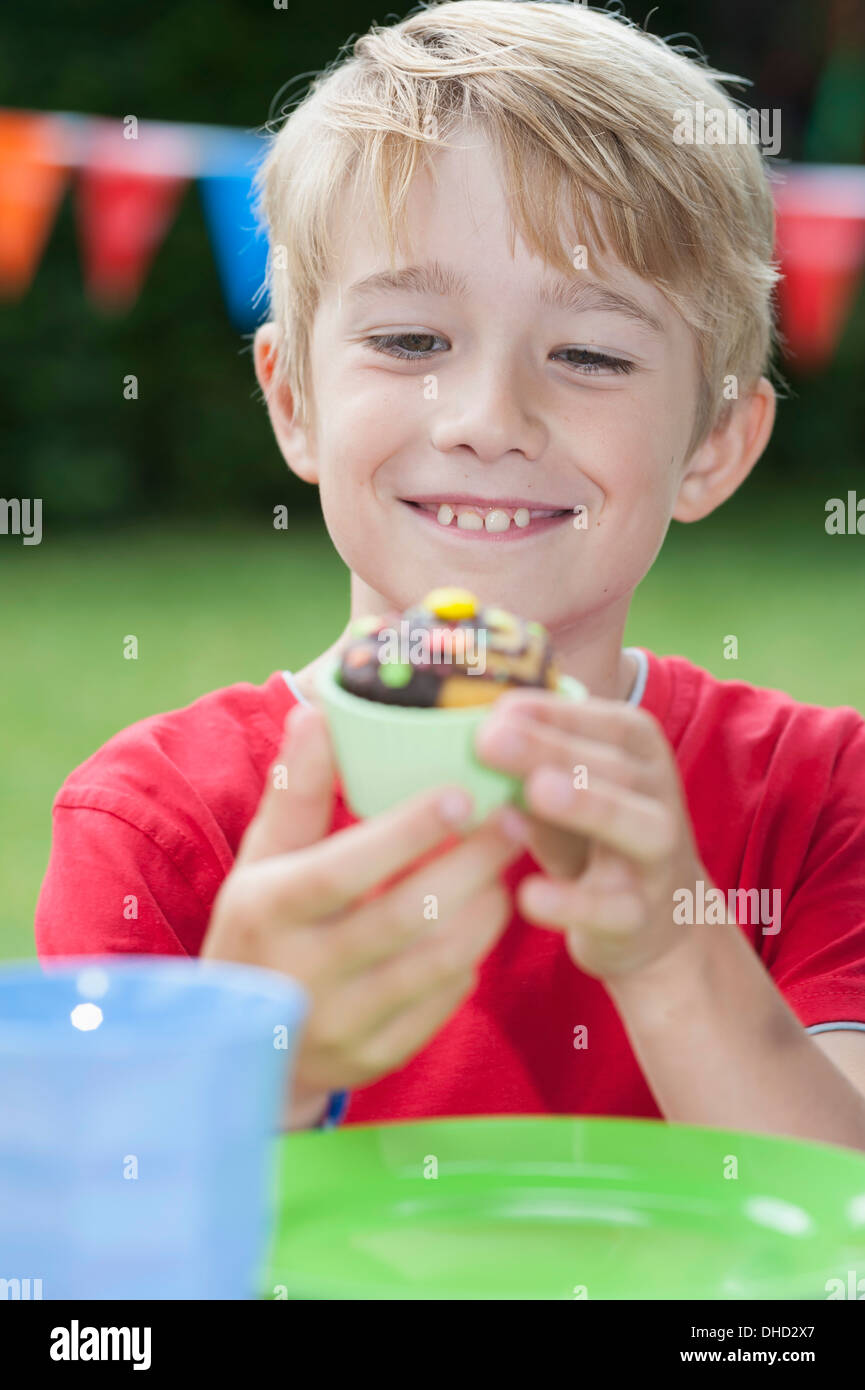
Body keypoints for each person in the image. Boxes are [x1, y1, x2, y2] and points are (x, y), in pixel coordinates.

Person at [35, 1, 865, 1146]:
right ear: (293, 400)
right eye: (412, 341)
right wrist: (252, 1066)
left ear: (713, 443)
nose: (487, 419)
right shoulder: (156, 826)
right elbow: (100, 1268)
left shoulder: (814, 797)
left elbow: (844, 1225)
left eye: (589, 353)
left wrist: (672, 953)